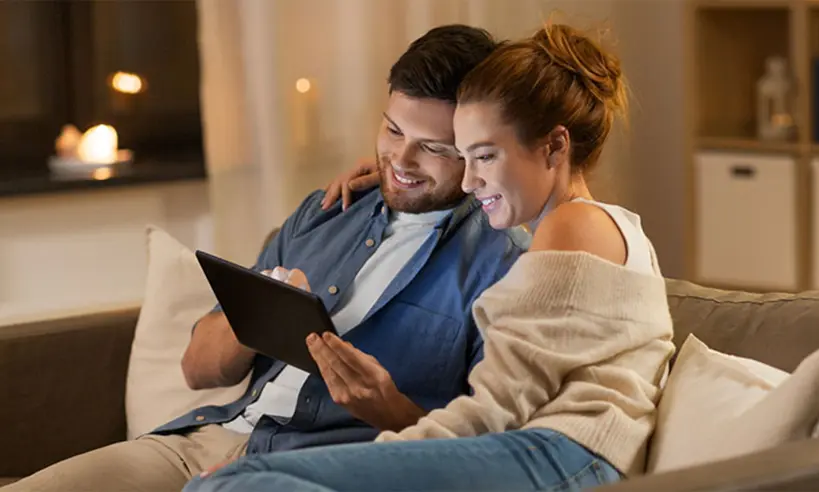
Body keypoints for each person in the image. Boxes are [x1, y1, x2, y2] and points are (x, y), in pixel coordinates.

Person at [3, 25, 529, 492]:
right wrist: (263, 313)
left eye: (434, 148)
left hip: (326, 468)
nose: (402, 162)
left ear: (477, 144)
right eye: (393, 131)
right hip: (209, 442)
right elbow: (197, 369)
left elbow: (494, 458)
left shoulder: (504, 268)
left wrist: (384, 406)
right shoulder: (328, 211)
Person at [184, 22, 676, 492]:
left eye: (483, 156)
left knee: (231, 483)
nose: (469, 181)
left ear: (554, 146)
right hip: (546, 454)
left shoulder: (570, 226)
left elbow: (495, 410)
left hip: (559, 456)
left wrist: (366, 455)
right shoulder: (602, 227)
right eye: (463, 156)